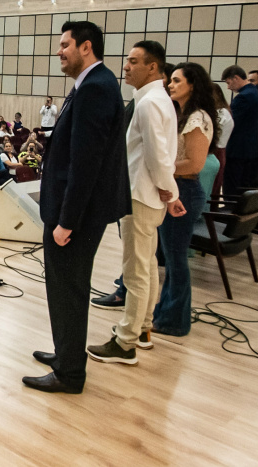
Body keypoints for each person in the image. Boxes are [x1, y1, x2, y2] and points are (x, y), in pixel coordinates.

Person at [23, 21, 130, 395]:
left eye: (64, 44)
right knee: (65, 287)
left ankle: (69, 373)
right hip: (77, 210)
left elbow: (87, 163)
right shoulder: (93, 85)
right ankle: (66, 353)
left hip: (77, 215)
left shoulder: (96, 88)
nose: (59, 51)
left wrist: (67, 221)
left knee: (68, 288)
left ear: (86, 47)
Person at [86, 42, 181, 365]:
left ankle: (125, 342)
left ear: (153, 67)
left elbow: (157, 156)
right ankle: (142, 328)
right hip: (149, 195)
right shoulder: (159, 100)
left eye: (133, 61)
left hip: (141, 195)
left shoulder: (149, 103)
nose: (125, 67)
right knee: (149, 266)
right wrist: (170, 191)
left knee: (135, 271)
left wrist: (170, 191)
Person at [153, 63, 218, 336]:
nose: (171, 84)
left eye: (177, 80)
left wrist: (159, 167)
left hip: (185, 191)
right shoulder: (183, 115)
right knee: (170, 256)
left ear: (192, 85)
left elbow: (194, 163)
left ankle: (176, 320)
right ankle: (165, 312)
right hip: (175, 188)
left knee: (176, 258)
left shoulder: (197, 118)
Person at [221, 66, 258, 198]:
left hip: (237, 149)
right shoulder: (256, 93)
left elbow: (232, 122)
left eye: (228, 83)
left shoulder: (243, 97)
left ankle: (229, 214)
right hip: (249, 148)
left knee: (232, 187)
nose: (228, 87)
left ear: (236, 78)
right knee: (243, 185)